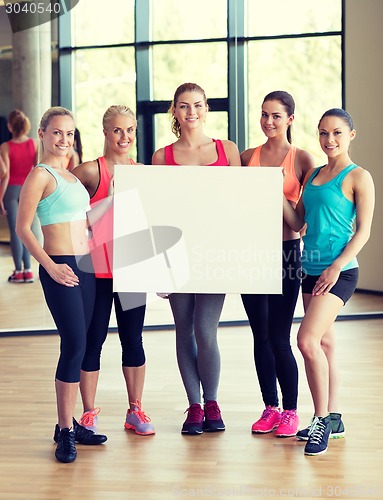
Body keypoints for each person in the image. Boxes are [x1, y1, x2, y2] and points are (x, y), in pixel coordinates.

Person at [16, 106, 107, 464]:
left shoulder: (69, 176)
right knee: (74, 344)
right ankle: (65, 432)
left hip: (86, 266)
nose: (63, 140)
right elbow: (24, 228)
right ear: (42, 134)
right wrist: (51, 266)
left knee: (85, 346)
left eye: (69, 134)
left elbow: (86, 224)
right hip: (61, 267)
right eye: (56, 133)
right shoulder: (40, 175)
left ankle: (69, 424)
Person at [283, 108, 375, 455]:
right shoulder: (315, 175)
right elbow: (297, 223)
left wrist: (336, 267)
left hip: (340, 271)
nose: (329, 140)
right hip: (310, 269)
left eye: (336, 133)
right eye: (323, 133)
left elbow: (363, 231)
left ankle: (320, 419)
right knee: (323, 345)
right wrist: (277, 192)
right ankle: (334, 419)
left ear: (351, 135)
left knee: (306, 340)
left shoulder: (358, 177)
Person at [152, 82, 241, 434]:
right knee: (183, 330)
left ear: (207, 109)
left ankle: (212, 402)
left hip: (214, 253)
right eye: (185, 106)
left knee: (206, 331)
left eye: (198, 105)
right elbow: (155, 211)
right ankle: (193, 406)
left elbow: (241, 204)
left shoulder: (227, 149)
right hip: (176, 255)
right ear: (175, 110)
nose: (192, 112)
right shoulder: (162, 156)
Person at [73, 105, 155, 436]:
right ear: (105, 132)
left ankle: (135, 411)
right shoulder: (91, 171)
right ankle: (88, 414)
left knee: (132, 340)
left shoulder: (142, 172)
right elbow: (64, 207)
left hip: (132, 271)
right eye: (118, 130)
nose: (125, 137)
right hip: (95, 272)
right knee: (93, 341)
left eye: (130, 130)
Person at [240, 91, 315, 438]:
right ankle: (269, 407)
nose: (269, 121)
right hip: (251, 253)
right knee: (260, 335)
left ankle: (290, 411)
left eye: (276, 116)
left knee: (279, 336)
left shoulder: (302, 160)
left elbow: (300, 222)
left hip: (286, 253)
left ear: (290, 120)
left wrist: (274, 192)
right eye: (264, 115)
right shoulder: (246, 157)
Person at [0, 109, 41, 283]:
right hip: (29, 190)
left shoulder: (5, 146)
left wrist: (0, 198)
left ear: (10, 126)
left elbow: (6, 174)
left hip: (11, 191)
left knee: (16, 232)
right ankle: (29, 270)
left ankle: (18, 271)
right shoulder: (36, 144)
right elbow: (37, 169)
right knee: (27, 230)